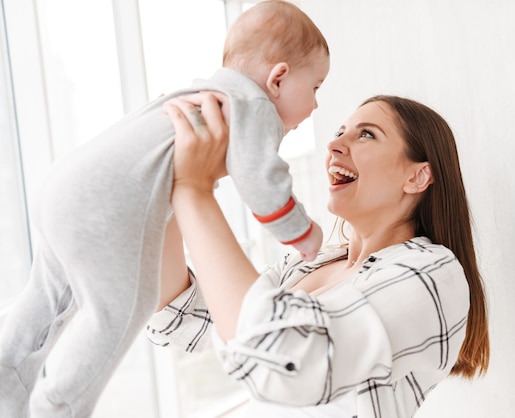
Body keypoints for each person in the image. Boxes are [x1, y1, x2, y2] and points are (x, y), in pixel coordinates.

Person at [0, 1, 329, 416]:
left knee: (47, 302)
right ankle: (58, 406)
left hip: (64, 187)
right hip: (102, 209)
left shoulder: (195, 92)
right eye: (315, 87)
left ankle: (5, 380)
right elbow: (262, 180)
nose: (316, 105)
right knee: (116, 315)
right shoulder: (253, 106)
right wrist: (304, 234)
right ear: (278, 78)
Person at [148, 92, 490, 417]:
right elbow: (188, 317)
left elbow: (279, 357)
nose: (334, 144)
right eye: (339, 132)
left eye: (366, 135)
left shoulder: (431, 273)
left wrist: (193, 189)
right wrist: (170, 183)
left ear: (417, 176)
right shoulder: (306, 264)